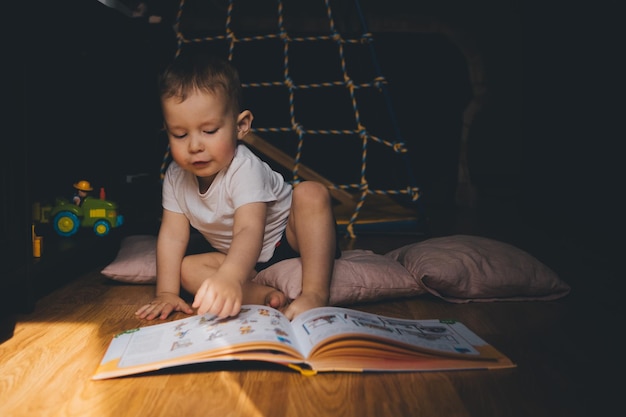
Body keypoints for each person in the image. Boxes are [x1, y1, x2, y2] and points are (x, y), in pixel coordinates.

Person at [135, 53, 340, 322]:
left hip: (289, 237)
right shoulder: (175, 176)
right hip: (240, 258)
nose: (195, 146)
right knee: (186, 270)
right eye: (180, 134)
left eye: (209, 131)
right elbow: (172, 236)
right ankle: (263, 295)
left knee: (311, 193)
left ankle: (314, 294)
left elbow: (248, 229)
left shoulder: (244, 168)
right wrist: (165, 292)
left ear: (241, 126)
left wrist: (230, 276)